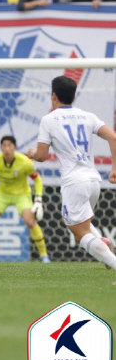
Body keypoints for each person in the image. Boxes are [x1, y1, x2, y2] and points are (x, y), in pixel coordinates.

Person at [27, 76, 116, 273]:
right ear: (74, 96)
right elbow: (113, 137)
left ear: (53, 96)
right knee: (80, 226)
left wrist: (33, 154)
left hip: (74, 182)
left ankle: (108, 254)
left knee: (80, 234)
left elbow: (41, 156)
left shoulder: (49, 119)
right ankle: (101, 241)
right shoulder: (88, 116)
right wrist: (114, 168)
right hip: (93, 181)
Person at [0, 135, 49, 263]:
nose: (7, 149)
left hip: (22, 195)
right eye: (4, 146)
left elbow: (37, 179)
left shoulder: (24, 162)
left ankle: (44, 255)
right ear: (1, 148)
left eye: (10, 146)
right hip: (2, 194)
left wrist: (38, 200)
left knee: (30, 222)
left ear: (15, 148)